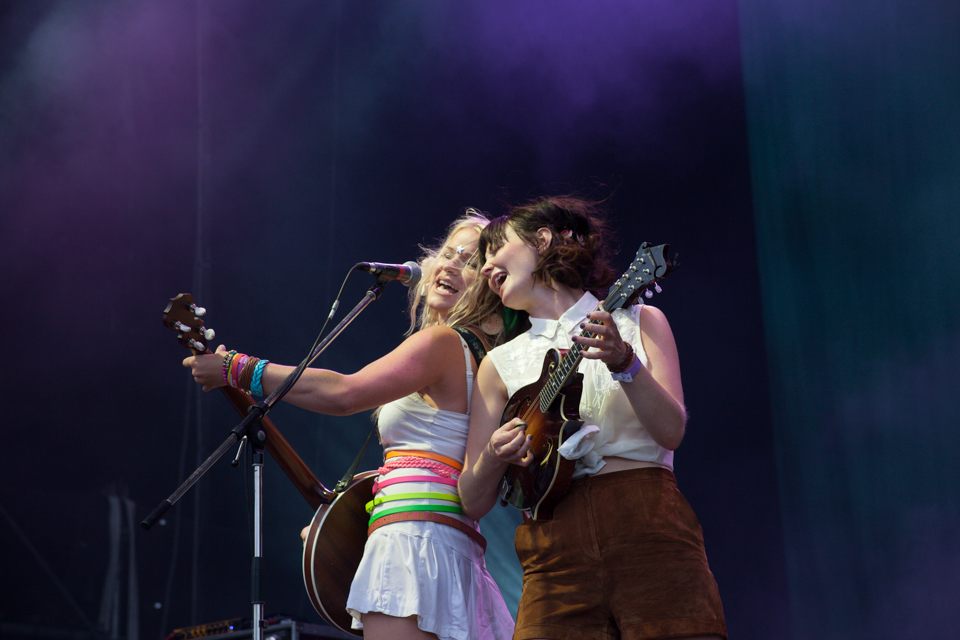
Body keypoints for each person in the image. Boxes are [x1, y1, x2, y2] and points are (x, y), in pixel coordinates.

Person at [183, 210, 515, 640]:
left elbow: (344, 394)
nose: (450, 264)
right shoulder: (481, 357)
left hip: (413, 545)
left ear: (491, 288)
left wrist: (238, 367)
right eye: (448, 253)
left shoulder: (442, 343)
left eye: (469, 262)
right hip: (449, 547)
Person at [458, 196, 726, 640]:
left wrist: (626, 363)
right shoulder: (498, 364)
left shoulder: (639, 321)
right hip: (552, 549)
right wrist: (492, 455)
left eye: (495, 250)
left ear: (541, 240)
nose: (486, 268)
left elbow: (671, 431)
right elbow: (472, 500)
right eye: (482, 260)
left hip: (648, 528)